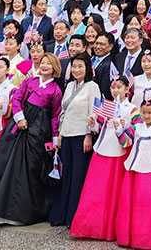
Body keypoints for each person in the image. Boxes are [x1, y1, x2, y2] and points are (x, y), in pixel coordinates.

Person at [0, 54, 62, 225]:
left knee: (30, 169)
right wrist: (19, 117)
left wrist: (54, 139)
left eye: (49, 63)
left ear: (55, 68)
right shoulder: (29, 81)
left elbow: (55, 116)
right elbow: (16, 99)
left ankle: (23, 213)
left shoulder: (55, 90)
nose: (44, 65)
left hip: (39, 132)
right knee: (6, 163)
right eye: (43, 62)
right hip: (20, 126)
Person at [70, 76, 139, 241]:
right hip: (102, 149)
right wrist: (92, 121)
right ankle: (91, 226)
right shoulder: (106, 105)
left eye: (119, 87)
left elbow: (135, 129)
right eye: (113, 87)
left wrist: (122, 126)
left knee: (115, 191)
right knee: (96, 190)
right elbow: (96, 126)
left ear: (127, 89)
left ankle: (112, 229)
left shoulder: (133, 109)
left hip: (119, 151)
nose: (115, 90)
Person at [115, 98, 151, 249]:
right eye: (143, 112)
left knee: (148, 203)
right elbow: (125, 143)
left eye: (149, 113)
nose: (146, 116)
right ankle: (131, 236)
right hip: (134, 169)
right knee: (132, 202)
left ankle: (148, 237)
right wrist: (119, 131)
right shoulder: (136, 127)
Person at [50, 52, 100, 227]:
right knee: (66, 175)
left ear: (87, 68)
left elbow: (95, 111)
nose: (77, 69)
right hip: (67, 134)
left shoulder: (93, 86)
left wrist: (89, 134)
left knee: (78, 176)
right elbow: (63, 112)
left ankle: (74, 217)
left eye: (80, 66)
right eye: (74, 66)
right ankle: (62, 214)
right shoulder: (70, 85)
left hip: (81, 136)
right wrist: (60, 134)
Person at [92, 33, 116, 100]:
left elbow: (105, 90)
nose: (98, 47)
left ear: (110, 46)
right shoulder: (92, 59)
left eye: (102, 44)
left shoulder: (110, 64)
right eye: (96, 43)